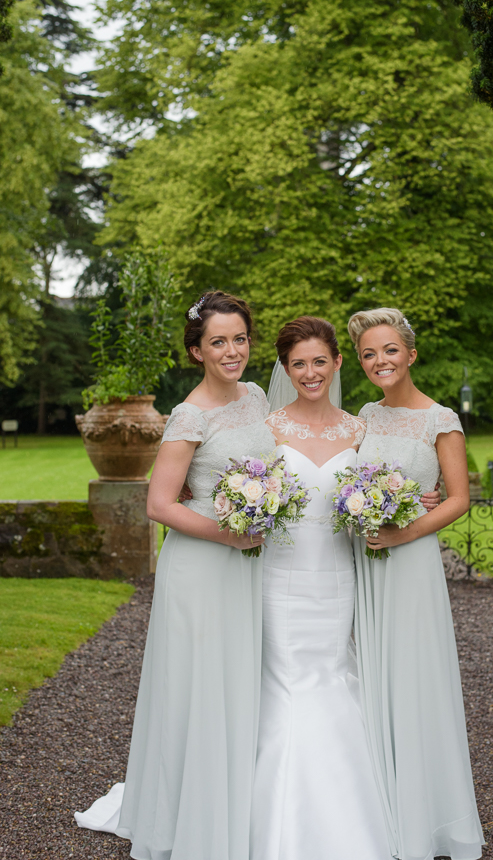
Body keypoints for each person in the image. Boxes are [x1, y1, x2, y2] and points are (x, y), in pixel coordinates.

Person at [75, 290, 276, 860]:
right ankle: (190, 816)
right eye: (218, 342)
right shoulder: (188, 415)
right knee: (198, 685)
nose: (232, 350)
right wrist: (228, 533)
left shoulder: (259, 396)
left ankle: (237, 802)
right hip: (203, 564)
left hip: (246, 559)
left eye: (239, 338)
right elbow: (159, 505)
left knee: (242, 678)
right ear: (196, 351)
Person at [250, 315, 391, 860]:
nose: (310, 372)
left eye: (319, 361)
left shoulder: (360, 430)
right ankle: (272, 819)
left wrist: (414, 501)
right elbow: (223, 477)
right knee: (283, 682)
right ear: (286, 369)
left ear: (337, 363)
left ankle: (349, 812)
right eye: (297, 364)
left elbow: (391, 482)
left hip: (337, 579)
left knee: (332, 674)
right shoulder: (266, 428)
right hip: (278, 577)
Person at [348, 307, 484, 860]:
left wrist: (403, 532)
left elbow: (458, 499)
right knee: (365, 671)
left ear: (411, 354)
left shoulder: (440, 419)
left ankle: (424, 812)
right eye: (368, 354)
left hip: (410, 562)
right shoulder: (364, 415)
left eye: (389, 350)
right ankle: (375, 802)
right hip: (364, 561)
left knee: (412, 675)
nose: (380, 361)